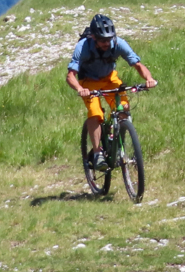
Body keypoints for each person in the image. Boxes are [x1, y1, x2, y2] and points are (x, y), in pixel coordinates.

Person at [66, 13, 157, 170]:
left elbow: (137, 64)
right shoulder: (83, 47)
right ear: (94, 37)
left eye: (109, 39)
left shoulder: (119, 43)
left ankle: (114, 138)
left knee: (124, 109)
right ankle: (97, 154)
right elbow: (70, 76)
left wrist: (148, 78)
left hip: (109, 78)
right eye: (102, 40)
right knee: (95, 113)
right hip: (88, 82)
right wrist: (81, 89)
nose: (106, 43)